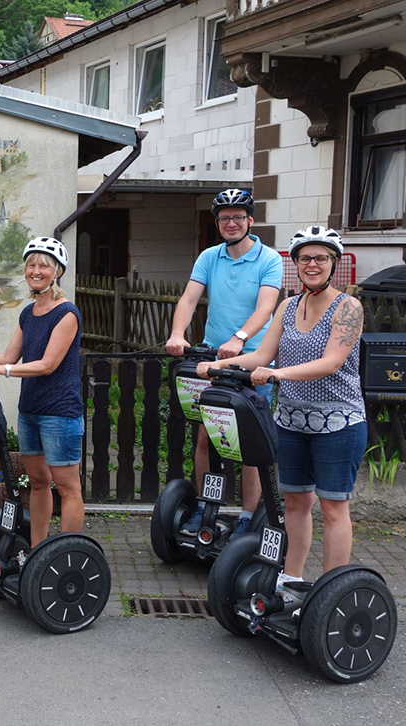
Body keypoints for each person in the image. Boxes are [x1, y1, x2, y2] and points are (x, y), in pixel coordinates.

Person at [199, 226, 364, 588]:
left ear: (333, 262)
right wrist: (217, 365)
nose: (312, 264)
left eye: (320, 258)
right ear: (296, 264)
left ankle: (331, 590)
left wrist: (277, 374)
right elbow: (261, 355)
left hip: (338, 422)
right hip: (290, 421)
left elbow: (332, 362)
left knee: (333, 507)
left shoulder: (348, 307)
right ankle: (290, 579)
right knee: (295, 503)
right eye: (305, 258)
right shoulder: (288, 307)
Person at [0, 237, 85, 548]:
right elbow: (9, 356)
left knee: (67, 487)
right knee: (38, 483)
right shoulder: (28, 313)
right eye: (31, 265)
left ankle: (66, 553)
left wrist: (1, 370)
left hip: (60, 414)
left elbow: (47, 365)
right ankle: (37, 552)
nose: (36, 271)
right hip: (30, 411)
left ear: (57, 272)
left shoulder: (67, 314)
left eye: (43, 266)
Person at [165, 189, 283, 536]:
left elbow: (266, 307)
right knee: (206, 436)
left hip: (252, 363)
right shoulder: (209, 257)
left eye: (238, 217)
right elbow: (189, 299)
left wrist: (239, 338)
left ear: (250, 220)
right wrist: (177, 334)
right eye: (224, 218)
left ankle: (246, 517)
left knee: (249, 444)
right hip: (212, 362)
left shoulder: (269, 259)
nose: (231, 223)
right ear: (217, 223)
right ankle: (205, 508)